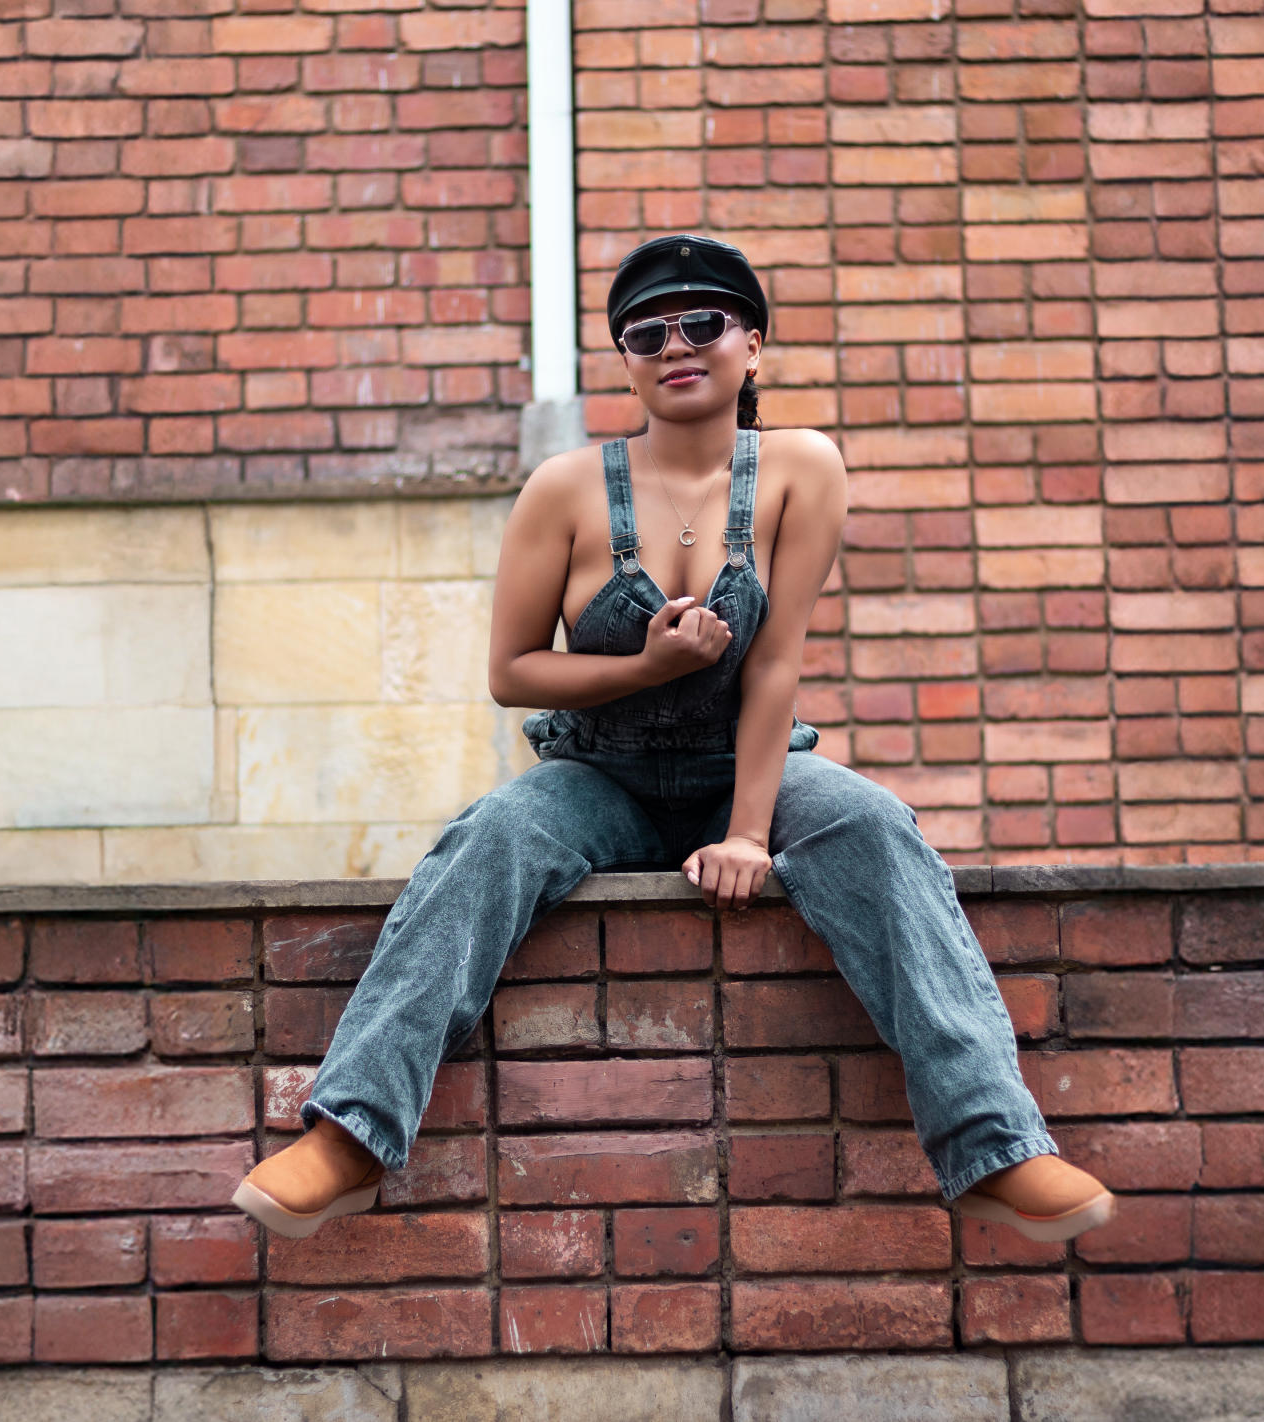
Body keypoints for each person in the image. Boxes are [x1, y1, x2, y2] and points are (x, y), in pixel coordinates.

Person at [232, 233, 1117, 1243]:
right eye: (646, 334)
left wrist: (747, 834)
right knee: (490, 837)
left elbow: (774, 665)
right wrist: (647, 668)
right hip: (597, 778)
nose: (676, 345)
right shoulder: (565, 488)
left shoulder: (801, 468)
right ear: (625, 361)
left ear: (753, 346)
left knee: (873, 826)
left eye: (703, 322)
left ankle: (999, 1149)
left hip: (750, 767)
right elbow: (512, 672)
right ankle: (349, 1137)